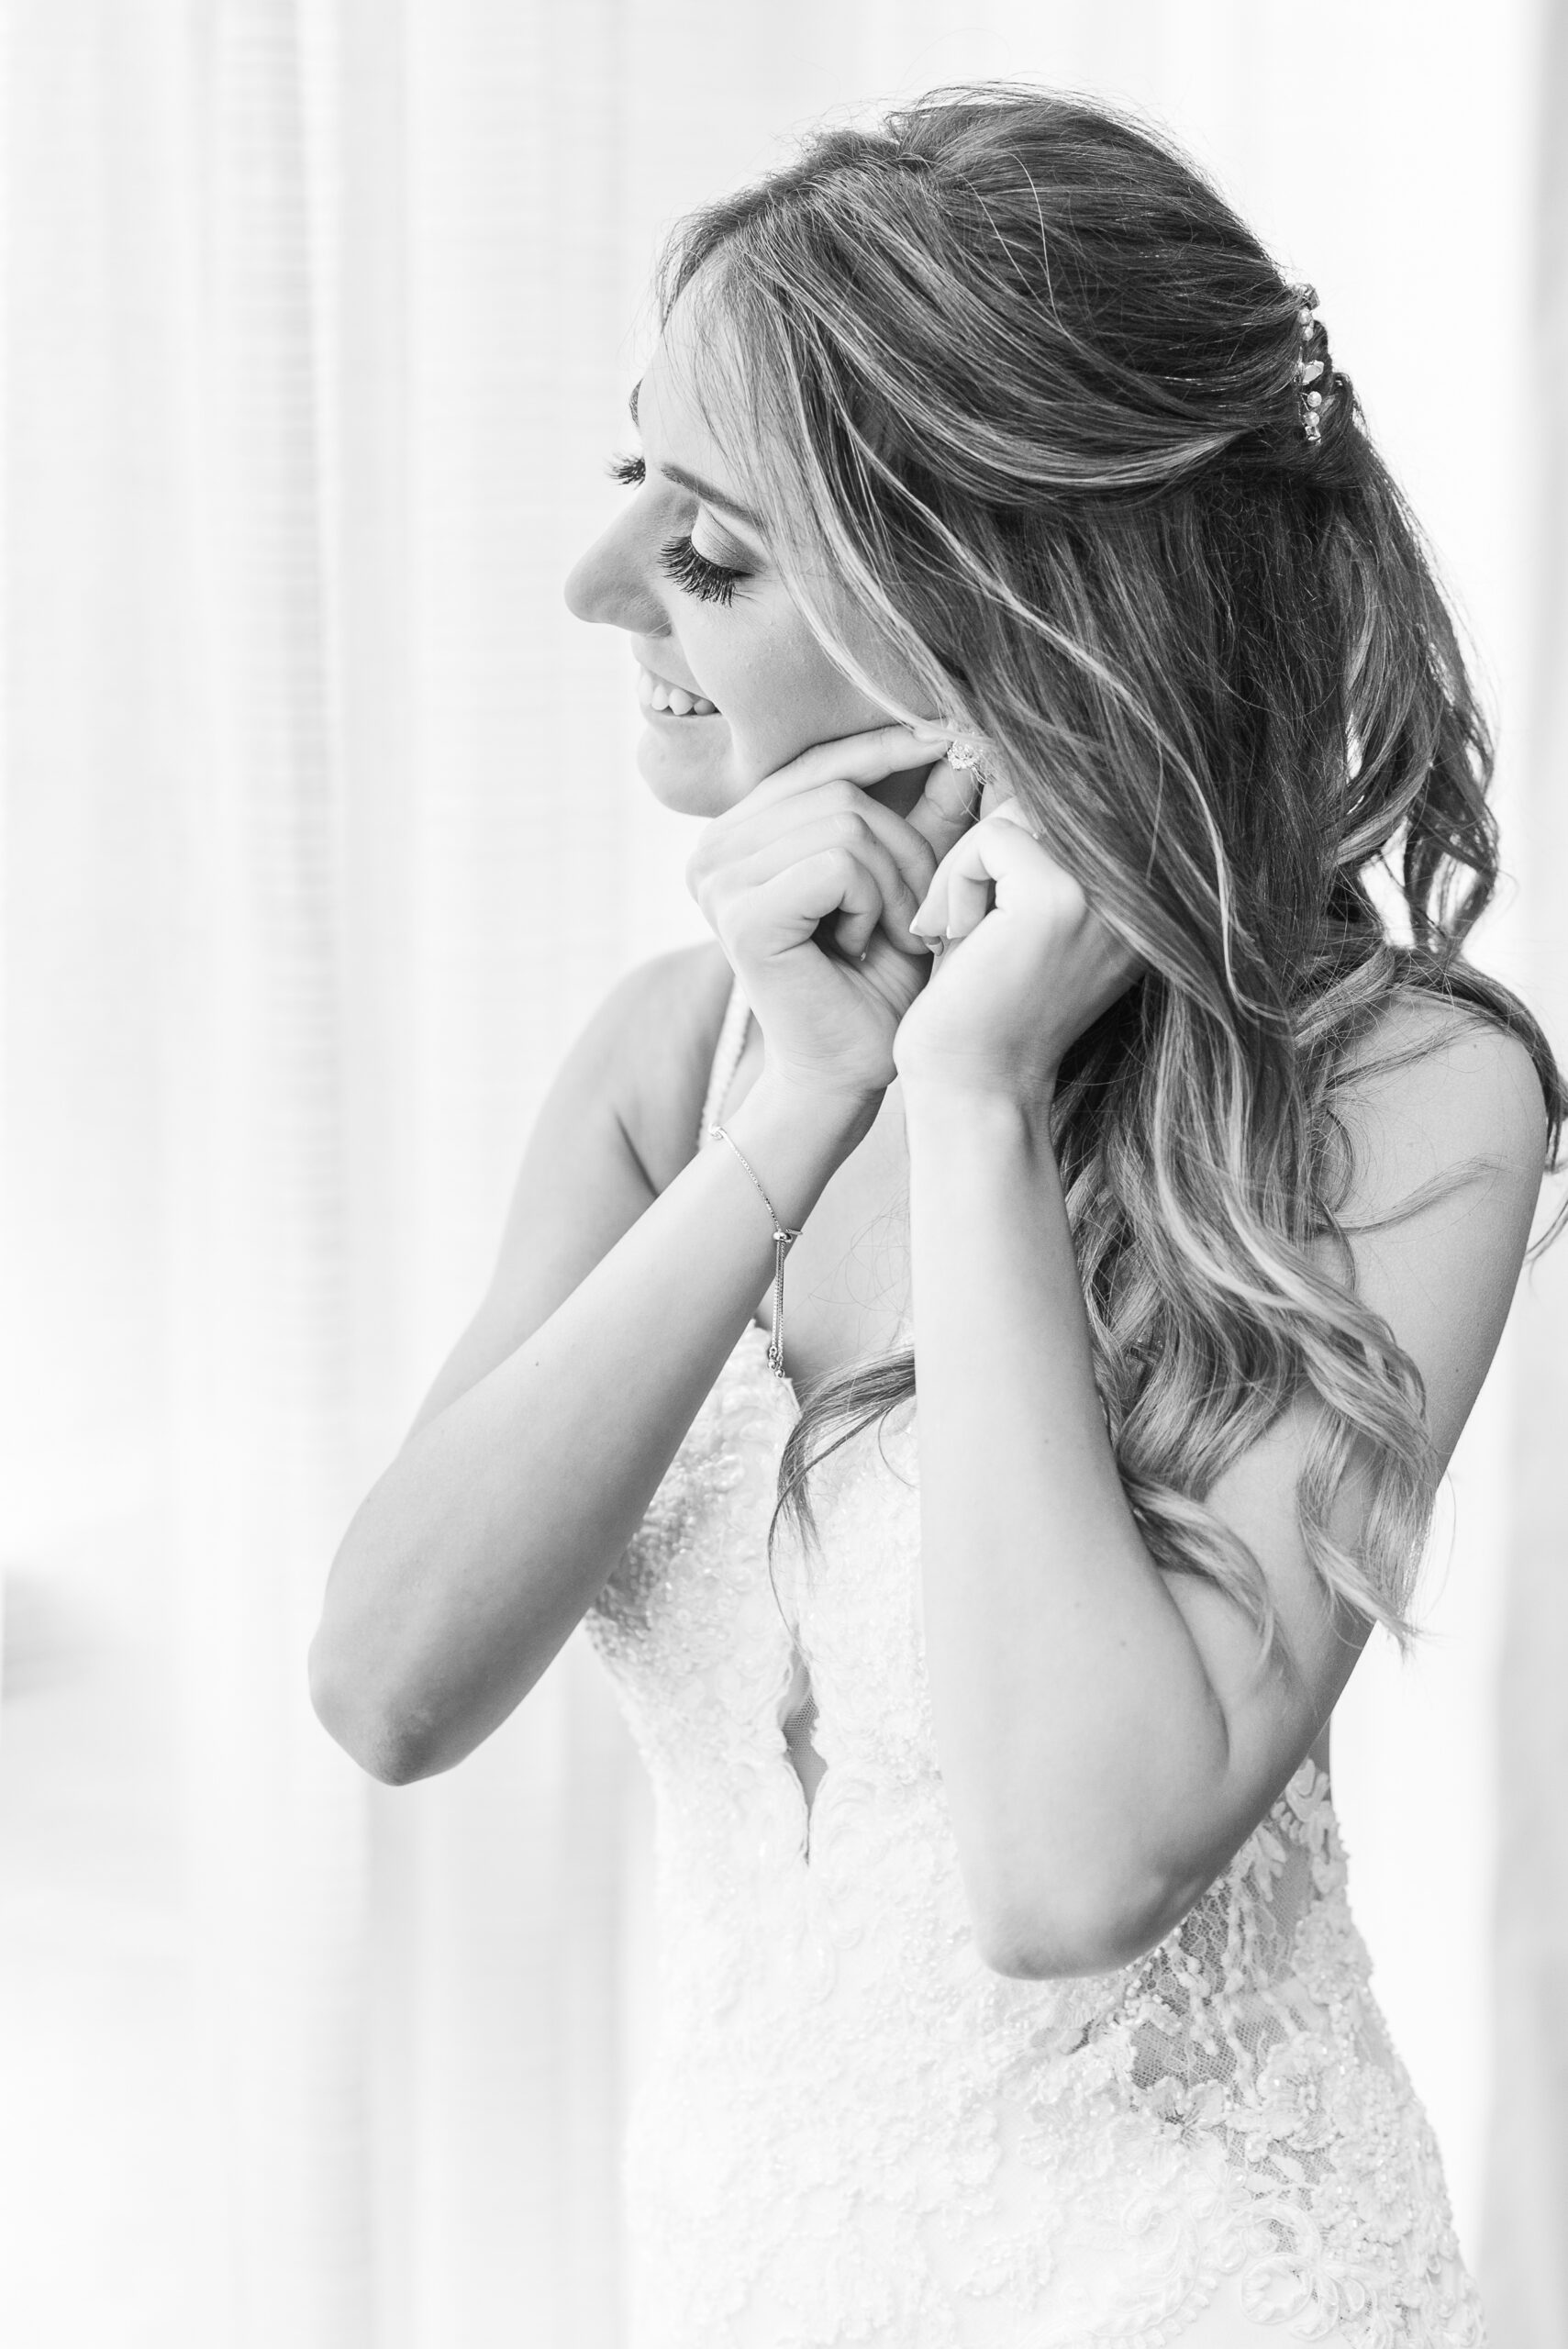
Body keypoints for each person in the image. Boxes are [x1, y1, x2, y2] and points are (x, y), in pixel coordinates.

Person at [310, 85, 1562, 2347]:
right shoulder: (674, 1064)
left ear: (984, 621)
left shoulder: (1410, 1094)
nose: (602, 593)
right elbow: (391, 1685)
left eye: (711, 550)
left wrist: (971, 1095)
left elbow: (1077, 1862)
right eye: (633, 495)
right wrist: (796, 1114)